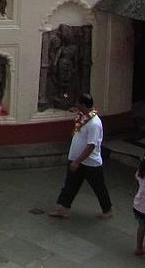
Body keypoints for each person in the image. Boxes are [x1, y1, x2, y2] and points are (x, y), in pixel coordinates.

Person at [48, 92, 113, 220]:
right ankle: (63, 208)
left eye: (78, 103)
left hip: (90, 162)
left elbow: (91, 146)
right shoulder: (83, 118)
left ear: (83, 104)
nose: (77, 105)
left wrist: (77, 161)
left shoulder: (94, 123)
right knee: (70, 185)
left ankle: (108, 209)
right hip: (76, 159)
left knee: (99, 187)